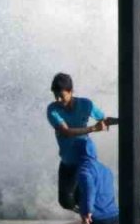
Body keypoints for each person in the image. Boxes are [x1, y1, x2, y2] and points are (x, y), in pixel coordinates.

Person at [46, 73, 115, 213]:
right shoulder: (52, 109)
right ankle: (90, 216)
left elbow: (104, 120)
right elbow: (65, 131)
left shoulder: (86, 104)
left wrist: (124, 120)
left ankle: (98, 218)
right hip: (67, 161)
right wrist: (93, 129)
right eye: (56, 96)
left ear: (71, 91)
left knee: (85, 197)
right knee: (66, 202)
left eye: (62, 96)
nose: (59, 100)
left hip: (85, 159)